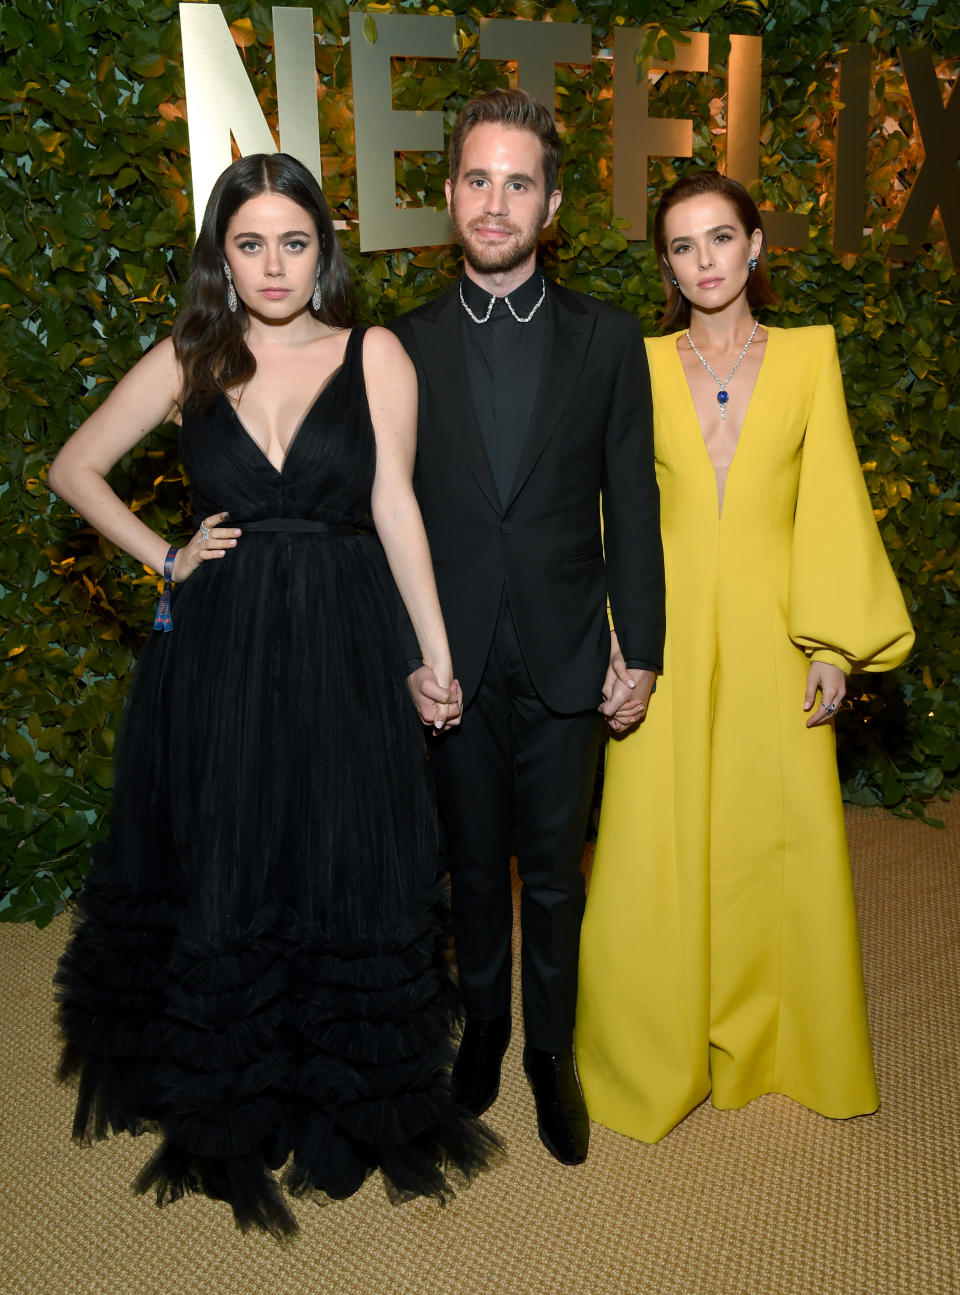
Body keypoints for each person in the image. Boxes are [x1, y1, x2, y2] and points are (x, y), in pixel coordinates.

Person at [50, 152, 497, 1237]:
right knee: (236, 860)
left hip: (347, 639)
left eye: (293, 241)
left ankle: (341, 1102)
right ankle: (239, 1097)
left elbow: (395, 506)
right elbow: (74, 467)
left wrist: (436, 657)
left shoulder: (373, 352)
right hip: (224, 646)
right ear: (223, 256)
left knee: (343, 858)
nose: (273, 264)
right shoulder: (190, 354)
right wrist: (164, 555)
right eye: (248, 243)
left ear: (322, 248)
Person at [575, 169, 915, 1143]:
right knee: (650, 835)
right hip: (660, 625)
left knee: (777, 835)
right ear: (667, 265)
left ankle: (780, 1043)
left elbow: (833, 500)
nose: (703, 261)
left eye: (720, 239)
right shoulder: (634, 363)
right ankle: (649, 1049)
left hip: (775, 625)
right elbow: (606, 506)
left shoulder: (810, 356)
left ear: (756, 246)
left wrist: (835, 641)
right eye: (682, 246)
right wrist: (609, 631)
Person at [390, 89, 665, 1167]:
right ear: (448, 193)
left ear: (551, 204)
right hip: (451, 664)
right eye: (475, 179)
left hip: (566, 659)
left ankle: (551, 1052)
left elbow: (633, 507)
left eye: (518, 183)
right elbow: (384, 515)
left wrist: (638, 648)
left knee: (553, 873)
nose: (494, 202)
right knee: (468, 868)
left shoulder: (608, 339)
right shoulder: (398, 345)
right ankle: (487, 1031)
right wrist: (413, 656)